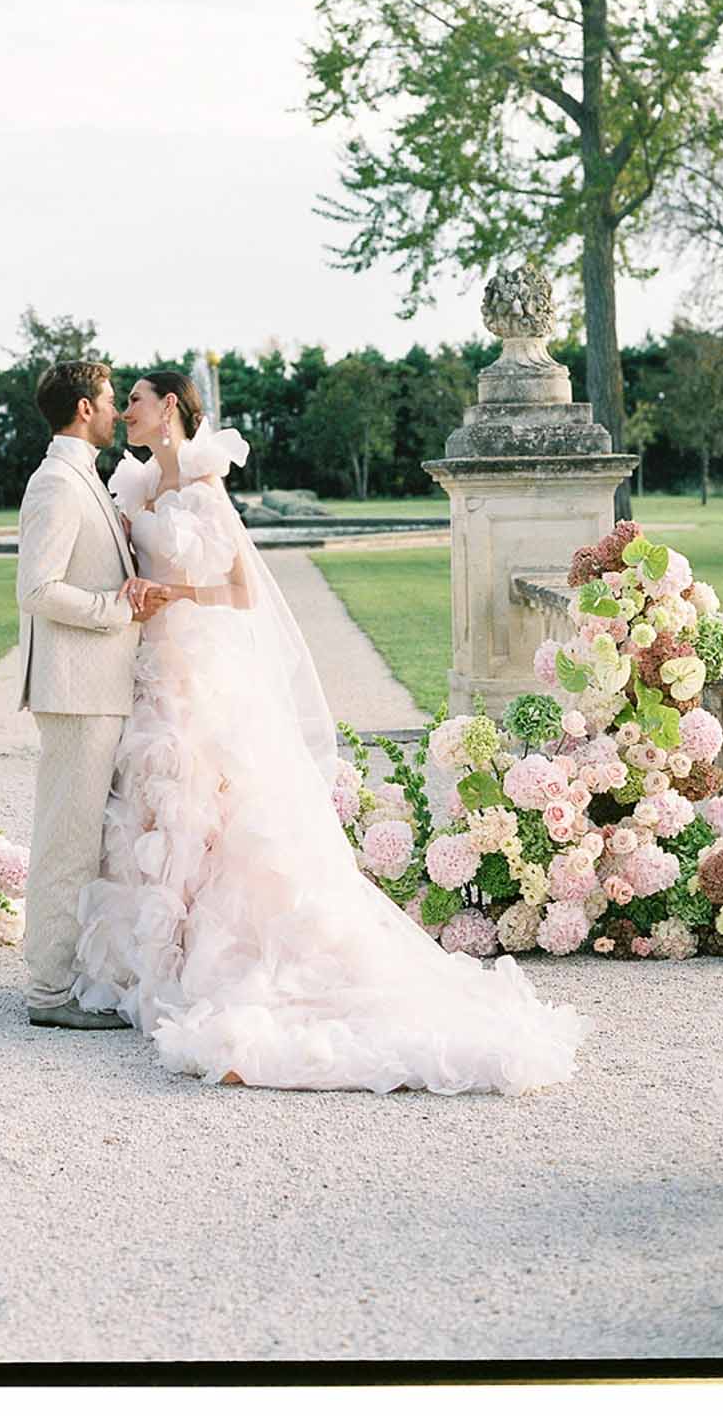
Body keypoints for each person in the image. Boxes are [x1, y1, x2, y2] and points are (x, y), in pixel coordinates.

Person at [70, 370, 590, 1094]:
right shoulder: (133, 485)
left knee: (217, 808)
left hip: (202, 665)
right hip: (152, 666)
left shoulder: (204, 484)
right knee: (159, 811)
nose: (124, 410)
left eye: (135, 399)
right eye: (122, 400)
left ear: (171, 410)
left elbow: (242, 591)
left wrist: (172, 592)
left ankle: (221, 960)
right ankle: (161, 955)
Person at [15, 358, 166, 1030]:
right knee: (67, 841)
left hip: (99, 689)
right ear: (83, 409)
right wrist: (116, 608)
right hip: (77, 693)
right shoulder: (55, 483)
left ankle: (72, 973)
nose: (114, 411)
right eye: (108, 400)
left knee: (88, 841)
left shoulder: (85, 477)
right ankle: (49, 993)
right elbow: (38, 589)